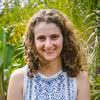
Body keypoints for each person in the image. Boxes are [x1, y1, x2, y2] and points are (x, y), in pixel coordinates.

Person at [7, 9, 90, 100]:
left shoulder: (81, 78)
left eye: (54, 37)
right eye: (41, 38)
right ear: (33, 42)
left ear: (65, 39)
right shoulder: (18, 78)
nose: (48, 45)